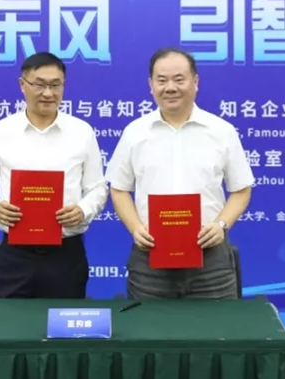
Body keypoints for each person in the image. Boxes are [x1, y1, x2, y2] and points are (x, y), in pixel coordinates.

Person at [105, 47, 254, 299]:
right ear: (151, 85)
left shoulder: (222, 131)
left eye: (179, 79)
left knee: (219, 325)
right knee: (148, 324)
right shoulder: (135, 132)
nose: (170, 88)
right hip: (150, 257)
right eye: (161, 80)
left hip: (210, 259)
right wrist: (135, 228)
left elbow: (241, 189)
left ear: (195, 82)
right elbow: (119, 188)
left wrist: (221, 225)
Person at [0, 52, 108, 299]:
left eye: (56, 85)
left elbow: (97, 188)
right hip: (15, 255)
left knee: (63, 322)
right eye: (39, 85)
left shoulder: (82, 132)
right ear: (22, 85)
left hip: (66, 255)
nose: (48, 93)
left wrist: (83, 210)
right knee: (7, 321)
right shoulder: (1, 131)